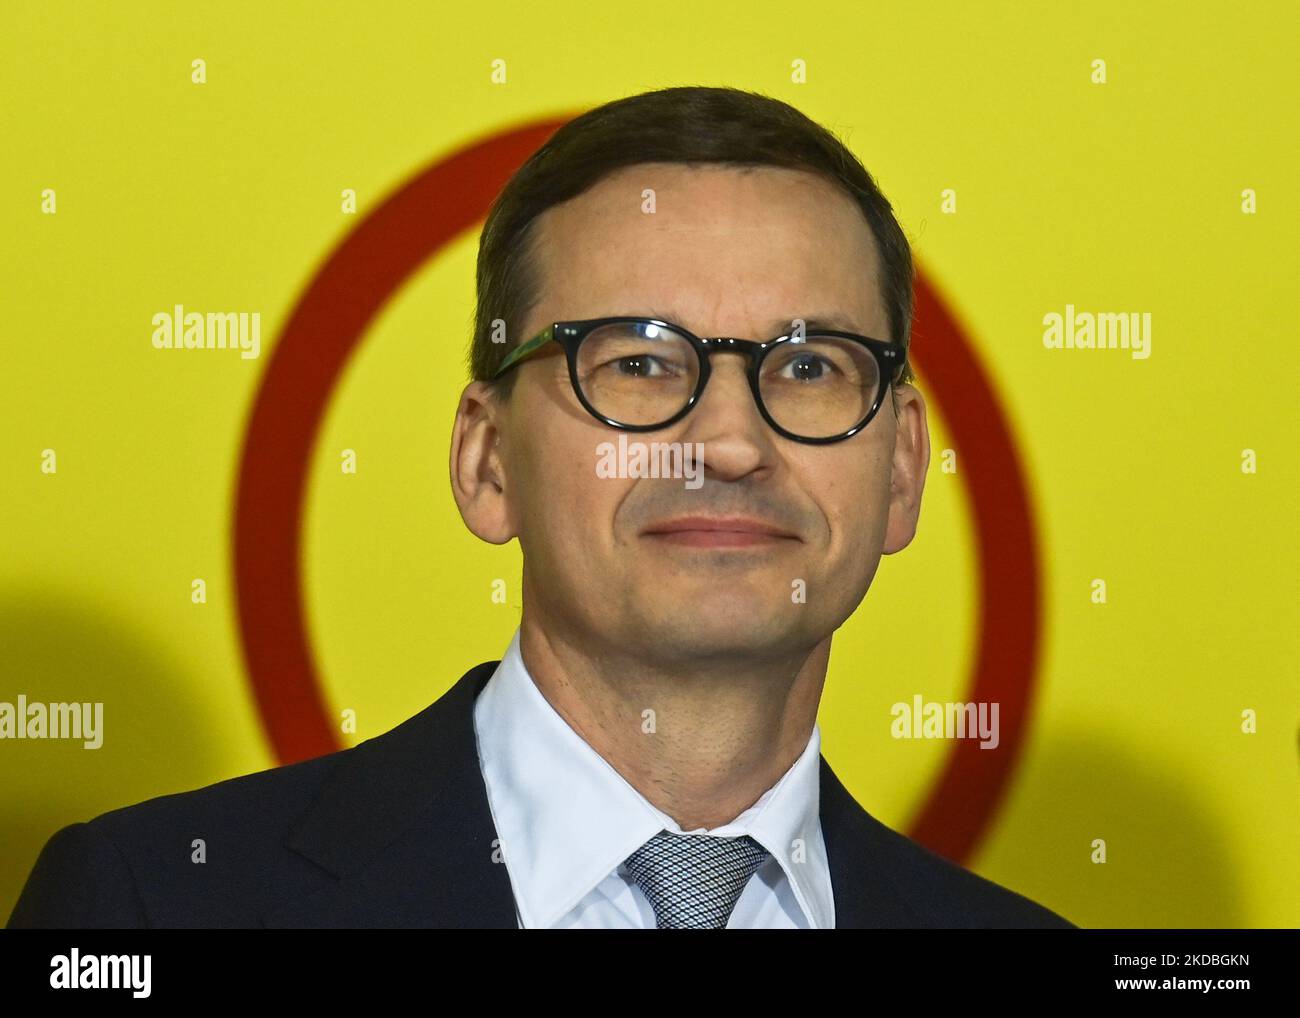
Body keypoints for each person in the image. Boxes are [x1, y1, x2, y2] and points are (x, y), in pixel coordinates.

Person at [8, 85, 1074, 929]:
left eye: (808, 367)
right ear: (486, 461)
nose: (732, 443)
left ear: (899, 473)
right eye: (640, 365)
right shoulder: (158, 905)